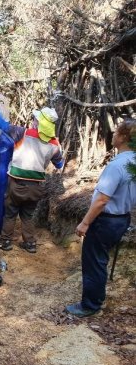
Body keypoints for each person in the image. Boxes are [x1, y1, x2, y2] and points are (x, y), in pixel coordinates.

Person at [66, 119, 136, 317]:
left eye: (116, 133)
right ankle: (97, 297)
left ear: (123, 137)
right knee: (100, 259)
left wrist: (85, 222)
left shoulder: (117, 165)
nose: (112, 135)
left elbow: (102, 200)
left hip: (106, 220)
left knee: (94, 261)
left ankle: (90, 305)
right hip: (122, 218)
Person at [0, 99, 65, 253]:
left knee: (10, 213)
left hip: (16, 183)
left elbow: (2, 125)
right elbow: (60, 164)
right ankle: (30, 244)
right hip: (36, 187)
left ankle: (5, 242)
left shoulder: (22, 133)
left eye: (35, 119)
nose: (32, 121)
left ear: (38, 123)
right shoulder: (54, 145)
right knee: (27, 215)